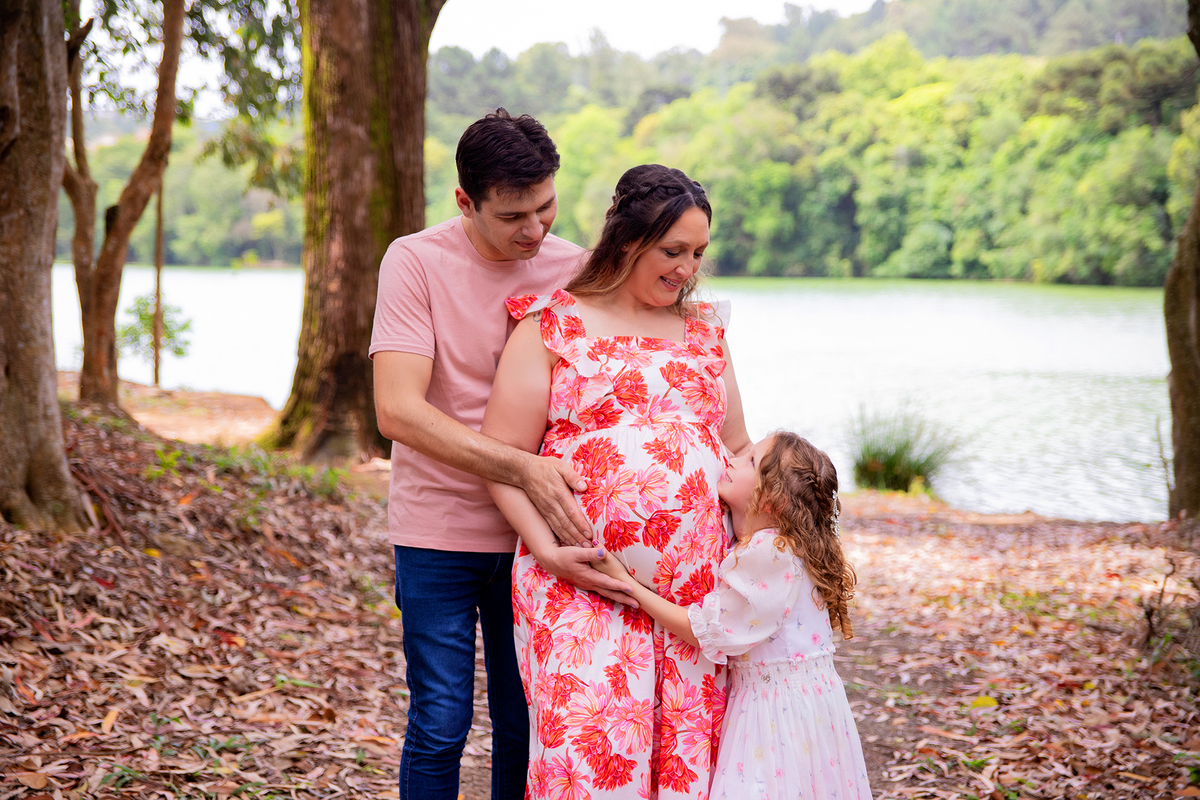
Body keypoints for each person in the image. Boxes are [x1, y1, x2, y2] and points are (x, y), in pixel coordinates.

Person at [370, 108, 632, 800]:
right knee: (440, 722)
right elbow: (397, 409)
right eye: (515, 215)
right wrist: (520, 465)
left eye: (546, 207)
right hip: (437, 534)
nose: (536, 230)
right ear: (465, 201)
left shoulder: (575, 267)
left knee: (531, 722)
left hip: (538, 537)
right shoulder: (416, 262)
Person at [482, 163, 752, 798]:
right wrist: (547, 549)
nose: (687, 267)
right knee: (587, 759)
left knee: (687, 766)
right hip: (581, 581)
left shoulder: (707, 331)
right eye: (673, 250)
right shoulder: (552, 325)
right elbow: (502, 458)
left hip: (694, 600)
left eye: (698, 253)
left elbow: (737, 447)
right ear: (628, 239)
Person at [595, 432, 873, 799]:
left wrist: (631, 588)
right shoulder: (788, 544)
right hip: (808, 702)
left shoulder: (770, 551)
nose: (732, 458)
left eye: (751, 462)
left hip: (775, 713)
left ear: (772, 497)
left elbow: (708, 630)